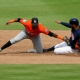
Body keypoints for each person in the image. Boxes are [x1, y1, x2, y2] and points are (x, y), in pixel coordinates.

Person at [0, 17, 65, 53]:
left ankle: (35, 49)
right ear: (31, 23)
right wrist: (10, 21)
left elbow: (51, 34)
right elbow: (19, 19)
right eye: (33, 25)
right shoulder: (27, 23)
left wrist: (62, 38)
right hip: (25, 33)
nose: (34, 26)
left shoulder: (41, 28)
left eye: (35, 25)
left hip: (35, 36)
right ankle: (1, 49)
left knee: (39, 51)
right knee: (15, 39)